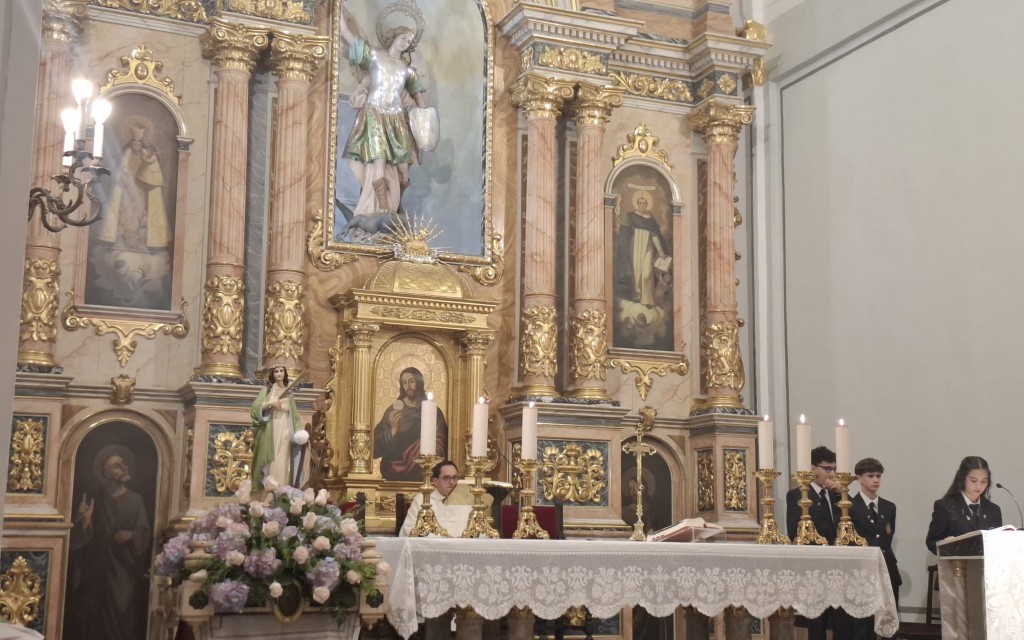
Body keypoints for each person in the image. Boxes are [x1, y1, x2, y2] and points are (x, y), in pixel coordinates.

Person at [337, 12, 428, 217]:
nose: (406, 42)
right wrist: (338, 7)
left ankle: (396, 205)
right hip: (375, 114)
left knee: (403, 168)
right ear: (394, 37)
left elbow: (419, 98)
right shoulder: (375, 56)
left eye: (409, 41)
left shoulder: (407, 71)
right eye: (403, 37)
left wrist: (424, 122)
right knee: (378, 160)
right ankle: (383, 206)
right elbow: (347, 35)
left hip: (396, 119)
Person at [67, 446, 152, 640]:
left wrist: (130, 535)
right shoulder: (96, 497)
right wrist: (86, 520)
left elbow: (144, 531)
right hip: (98, 569)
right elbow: (77, 539)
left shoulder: (136, 500)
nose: (123, 467)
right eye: (116, 465)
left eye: (123, 463)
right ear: (105, 472)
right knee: (93, 616)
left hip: (124, 570)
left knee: (124, 611)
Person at [835, 457, 901, 640]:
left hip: (886, 567)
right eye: (870, 476)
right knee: (862, 624)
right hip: (861, 570)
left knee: (889, 619)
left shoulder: (889, 507)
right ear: (859, 479)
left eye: (878, 476)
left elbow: (888, 535)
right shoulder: (849, 506)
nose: (875, 480)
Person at [786, 445, 839, 639]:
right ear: (812, 468)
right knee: (817, 625)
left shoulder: (836, 495)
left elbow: (852, 522)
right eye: (827, 469)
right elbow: (795, 531)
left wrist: (843, 494)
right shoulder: (798, 495)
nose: (832, 474)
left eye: (834, 469)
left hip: (838, 566)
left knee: (841, 622)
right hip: (814, 568)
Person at [97, 123, 171, 250]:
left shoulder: (145, 154)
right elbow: (122, 170)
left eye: (138, 144)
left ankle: (139, 239)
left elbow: (150, 168)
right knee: (125, 212)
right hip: (126, 188)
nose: (136, 146)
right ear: (131, 144)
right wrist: (124, 179)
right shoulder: (127, 153)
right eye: (134, 144)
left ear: (142, 144)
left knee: (139, 212)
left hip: (140, 189)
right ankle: (122, 239)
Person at [373, 367, 448, 481]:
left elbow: (442, 442)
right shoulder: (393, 411)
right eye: (404, 382)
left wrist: (426, 449)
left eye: (411, 381)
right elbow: (374, 445)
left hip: (425, 472)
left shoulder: (433, 412)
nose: (408, 386)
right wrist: (392, 431)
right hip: (394, 473)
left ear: (419, 383)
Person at [925, 455, 1002, 554]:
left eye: (984, 481)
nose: (978, 486)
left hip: (988, 567)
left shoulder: (993, 510)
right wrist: (946, 546)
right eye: (973, 480)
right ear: (963, 478)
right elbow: (931, 542)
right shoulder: (946, 507)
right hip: (957, 567)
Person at [614, 190, 669, 307]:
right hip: (636, 245)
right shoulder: (633, 216)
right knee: (636, 272)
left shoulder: (650, 219)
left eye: (644, 203)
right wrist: (618, 203)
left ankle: (648, 300)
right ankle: (638, 296)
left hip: (648, 246)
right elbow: (621, 219)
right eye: (640, 203)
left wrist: (660, 250)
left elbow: (654, 235)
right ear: (637, 204)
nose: (642, 205)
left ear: (647, 204)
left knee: (647, 273)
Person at [250, 366, 303, 486]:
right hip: (271, 427)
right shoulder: (267, 390)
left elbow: (294, 415)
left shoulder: (289, 392)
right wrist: (269, 403)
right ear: (272, 374)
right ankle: (269, 489)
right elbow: (255, 407)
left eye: (281, 371)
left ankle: (282, 488)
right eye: (276, 371)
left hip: (285, 426)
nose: (279, 374)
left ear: (285, 373)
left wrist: (298, 431)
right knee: (272, 457)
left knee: (283, 457)